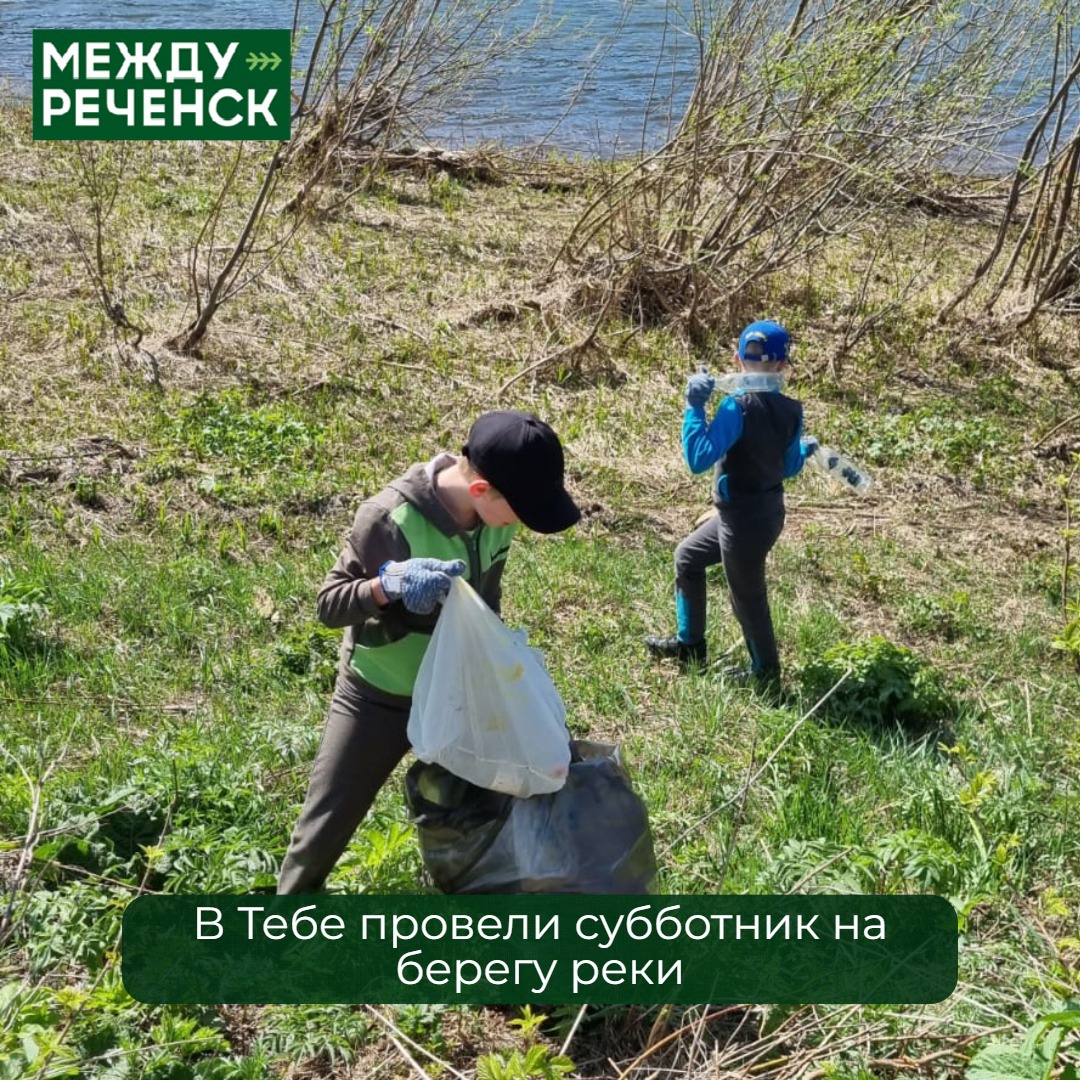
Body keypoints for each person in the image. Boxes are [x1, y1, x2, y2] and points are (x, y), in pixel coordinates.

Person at [278, 410, 581, 894]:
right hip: (381, 692)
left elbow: (487, 601)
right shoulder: (389, 517)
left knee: (501, 797)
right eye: (519, 512)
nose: (520, 526)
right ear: (482, 491)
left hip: (463, 688)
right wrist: (388, 585)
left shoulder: (495, 521)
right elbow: (329, 606)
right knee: (328, 820)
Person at [644, 320, 817, 686]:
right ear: (784, 366)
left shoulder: (736, 406)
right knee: (687, 557)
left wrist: (694, 407)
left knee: (747, 597)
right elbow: (788, 466)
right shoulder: (791, 410)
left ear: (737, 360)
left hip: (742, 523)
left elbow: (698, 457)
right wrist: (804, 450)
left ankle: (767, 677)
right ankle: (690, 647)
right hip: (763, 514)